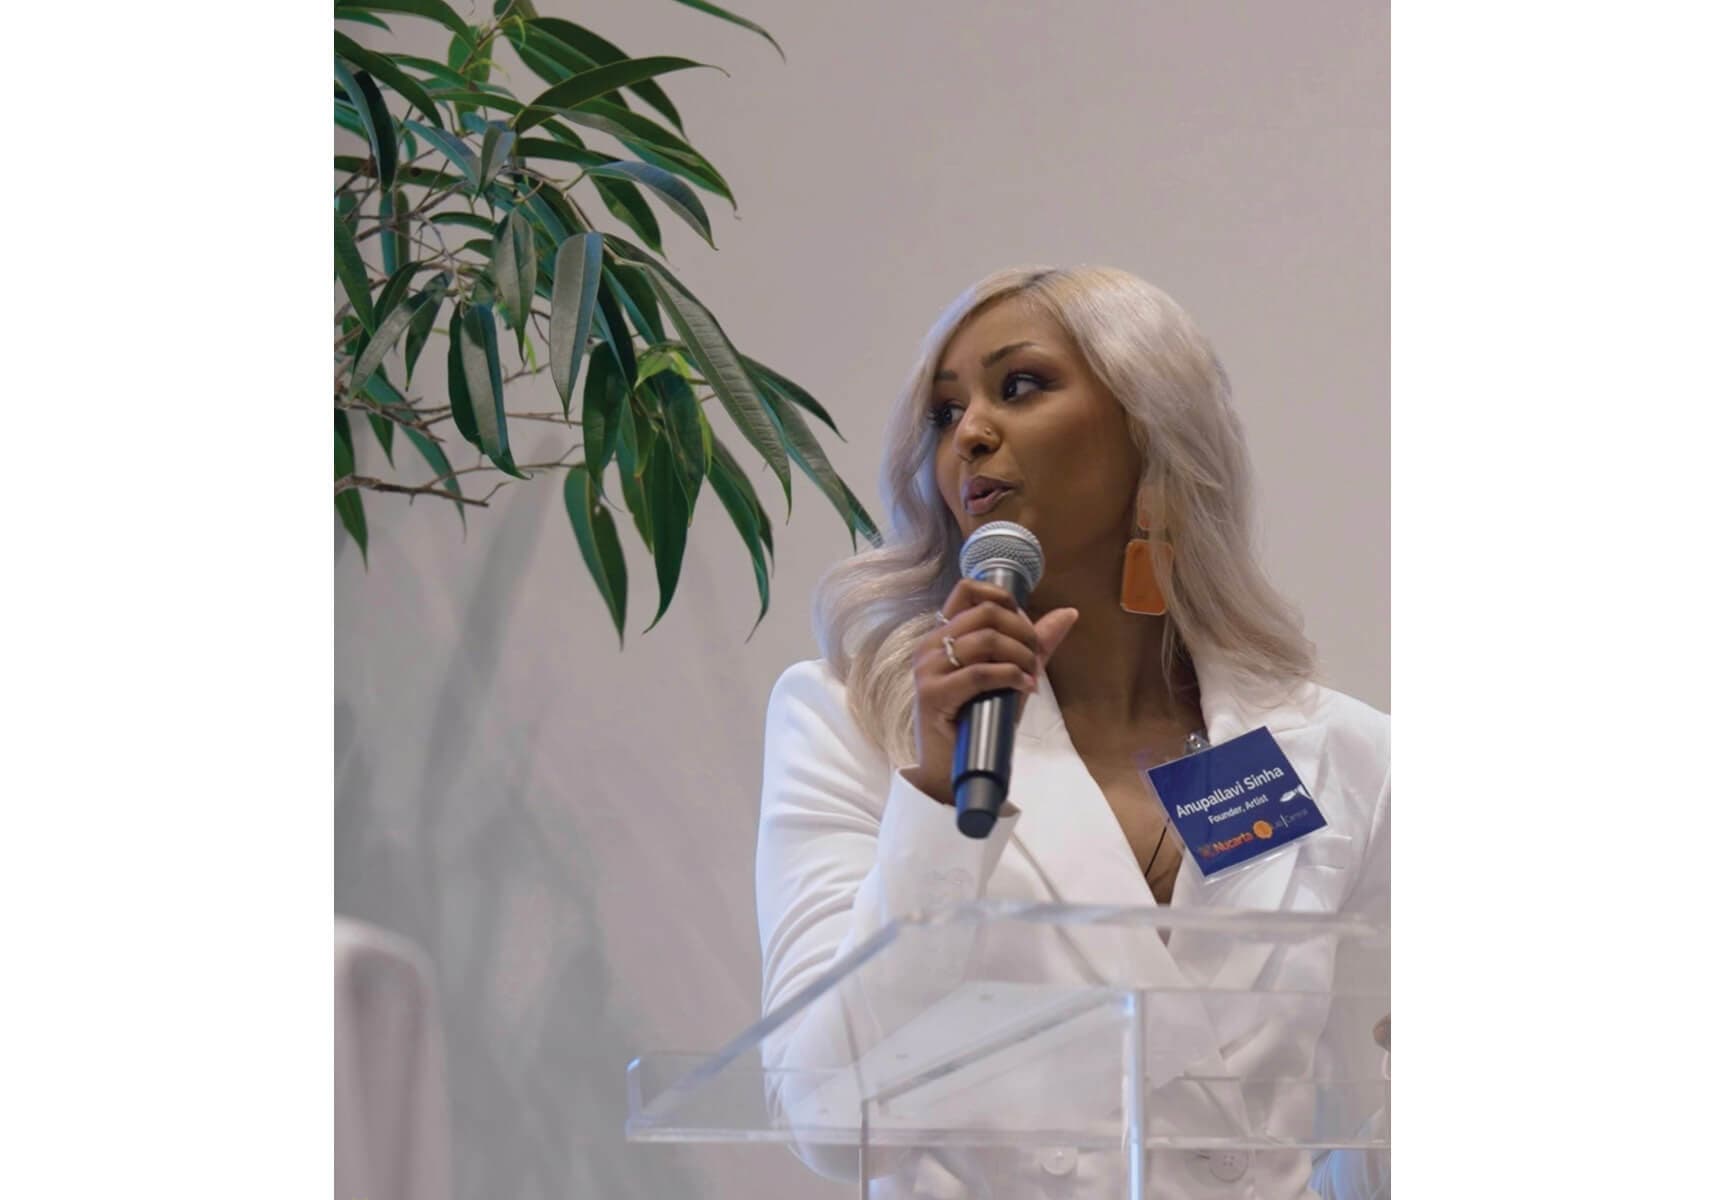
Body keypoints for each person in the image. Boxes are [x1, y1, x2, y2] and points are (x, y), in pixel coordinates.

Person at [754, 266, 1390, 1198]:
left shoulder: (1340, 751)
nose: (970, 433)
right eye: (943, 412)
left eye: (1019, 386)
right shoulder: (855, 719)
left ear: (1151, 425)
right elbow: (819, 1113)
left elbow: (1368, 1119)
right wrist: (935, 799)